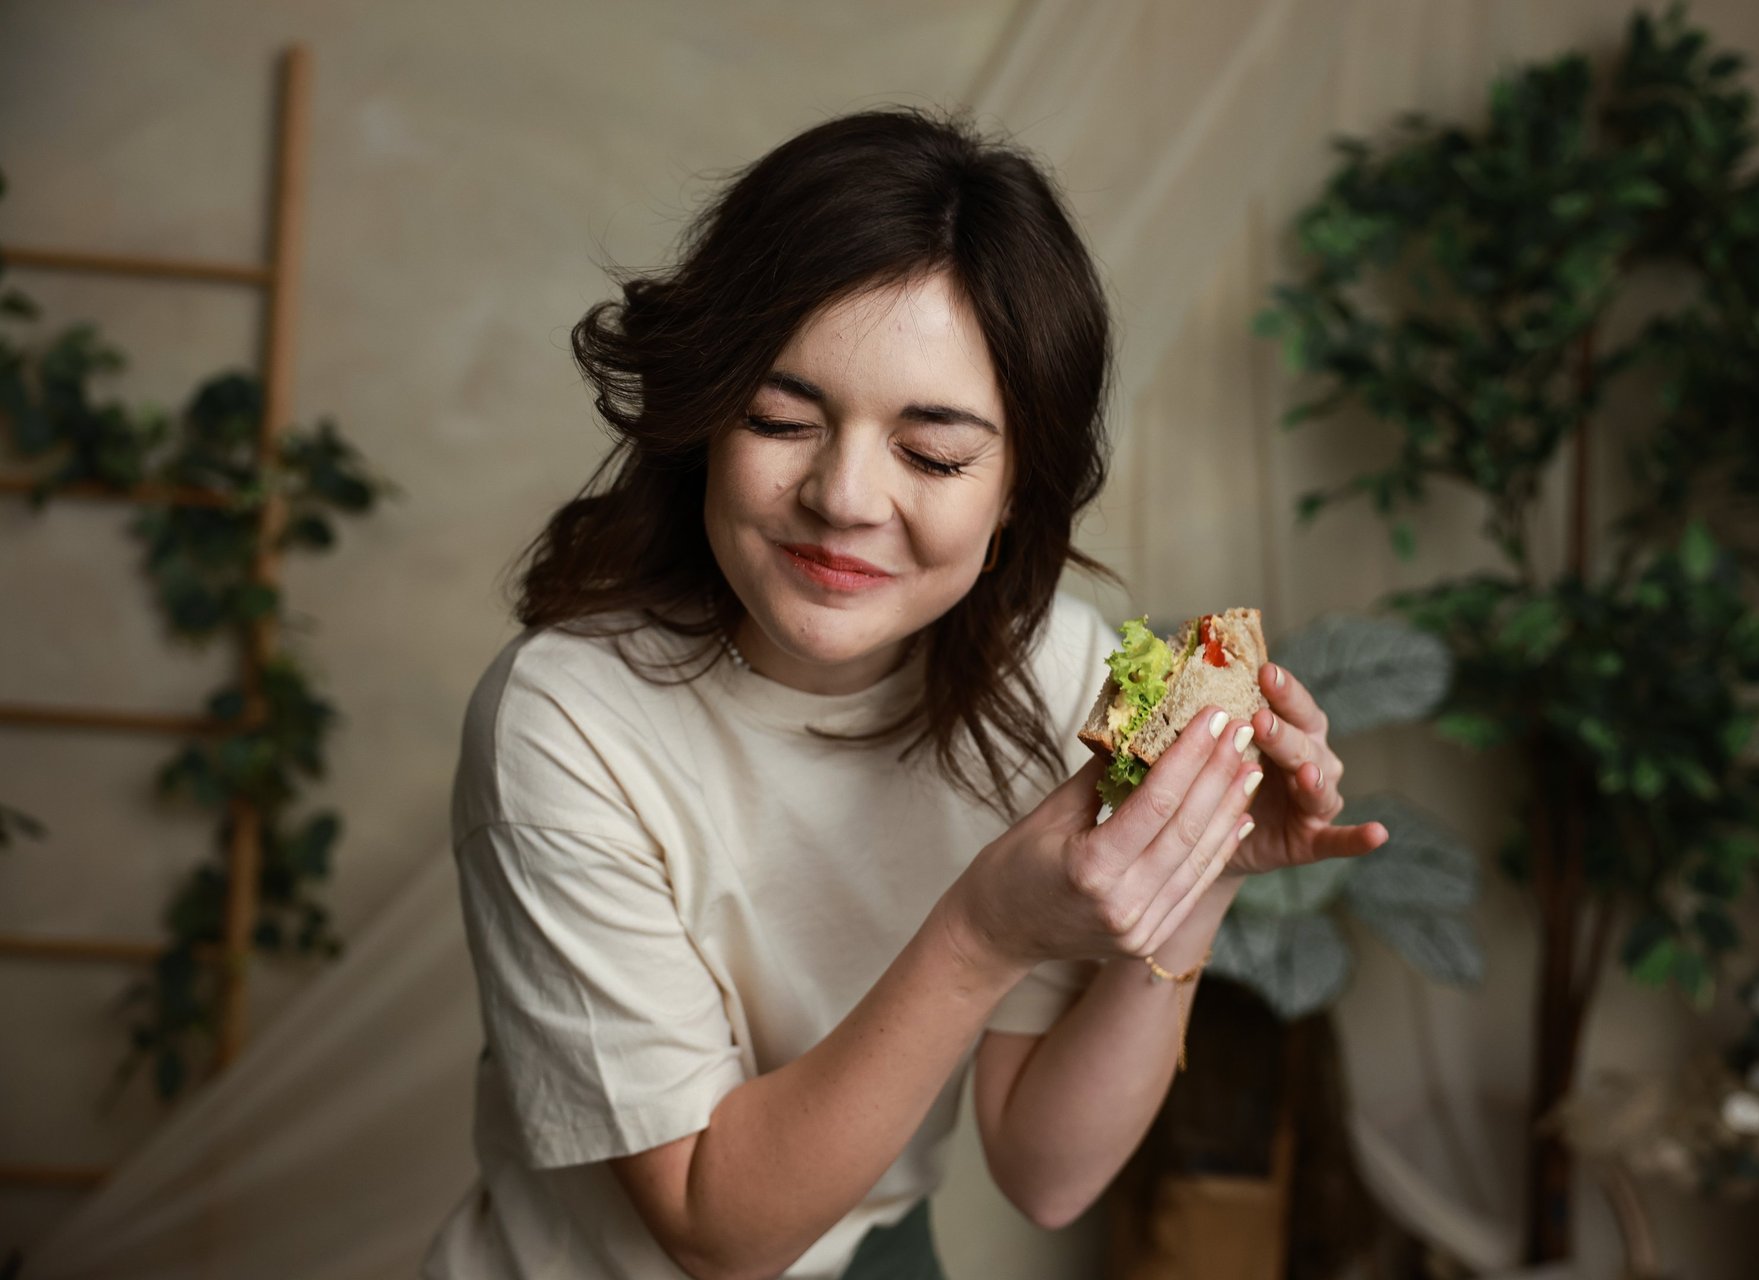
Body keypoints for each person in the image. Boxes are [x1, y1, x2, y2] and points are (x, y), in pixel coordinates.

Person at [421, 106, 1387, 1280]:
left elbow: (1049, 1167)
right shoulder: (565, 718)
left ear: (1019, 490)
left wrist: (1198, 873)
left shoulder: (1056, 675)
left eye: (931, 454)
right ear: (703, 418)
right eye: (783, 419)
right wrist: (983, 930)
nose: (843, 496)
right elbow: (714, 1227)